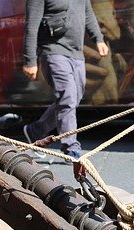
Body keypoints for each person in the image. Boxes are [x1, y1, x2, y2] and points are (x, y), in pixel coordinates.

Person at [22, 0, 109, 162]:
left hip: (76, 53)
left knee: (72, 99)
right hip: (53, 51)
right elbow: (31, 26)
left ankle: (36, 131)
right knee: (68, 97)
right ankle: (71, 147)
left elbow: (88, 14)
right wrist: (30, 61)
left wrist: (98, 39)